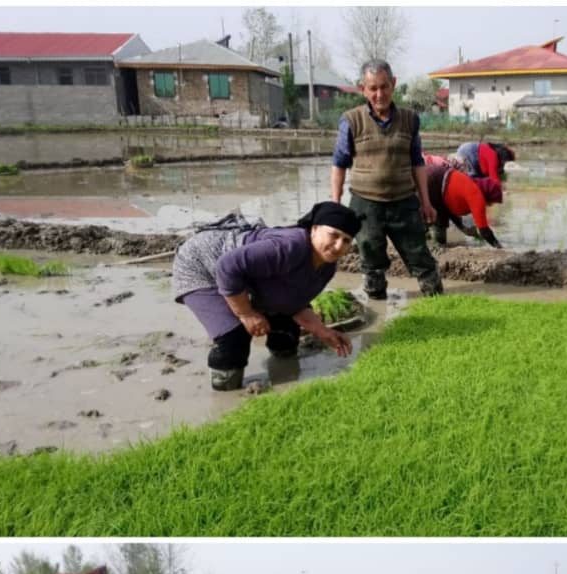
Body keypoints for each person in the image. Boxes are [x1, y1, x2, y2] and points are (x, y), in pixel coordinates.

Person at [173, 201, 361, 391]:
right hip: (201, 264)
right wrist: (246, 313)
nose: (338, 245)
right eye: (333, 235)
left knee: (285, 330)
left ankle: (284, 371)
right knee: (234, 335)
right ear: (314, 229)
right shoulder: (290, 246)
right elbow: (227, 267)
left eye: (346, 240)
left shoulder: (327, 267)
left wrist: (323, 332)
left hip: (241, 273)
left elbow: (296, 304)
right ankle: (227, 389)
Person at [330, 59, 443, 302]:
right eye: (373, 88)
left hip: (404, 201)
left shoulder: (410, 119)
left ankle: (438, 301)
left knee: (419, 254)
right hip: (365, 204)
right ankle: (377, 305)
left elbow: (417, 162)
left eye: (384, 86)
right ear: (363, 89)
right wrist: (335, 205)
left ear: (393, 84)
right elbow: (339, 164)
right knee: (371, 260)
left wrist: (426, 201)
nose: (379, 94)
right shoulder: (351, 121)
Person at [425, 163, 502, 248]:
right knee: (430, 217)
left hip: (437, 176)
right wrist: (498, 246)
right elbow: (484, 230)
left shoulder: (470, 185)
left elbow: (449, 210)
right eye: (493, 202)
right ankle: (429, 245)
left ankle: (438, 245)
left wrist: (463, 228)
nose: (491, 205)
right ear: (489, 196)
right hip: (434, 181)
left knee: (441, 216)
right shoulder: (477, 196)